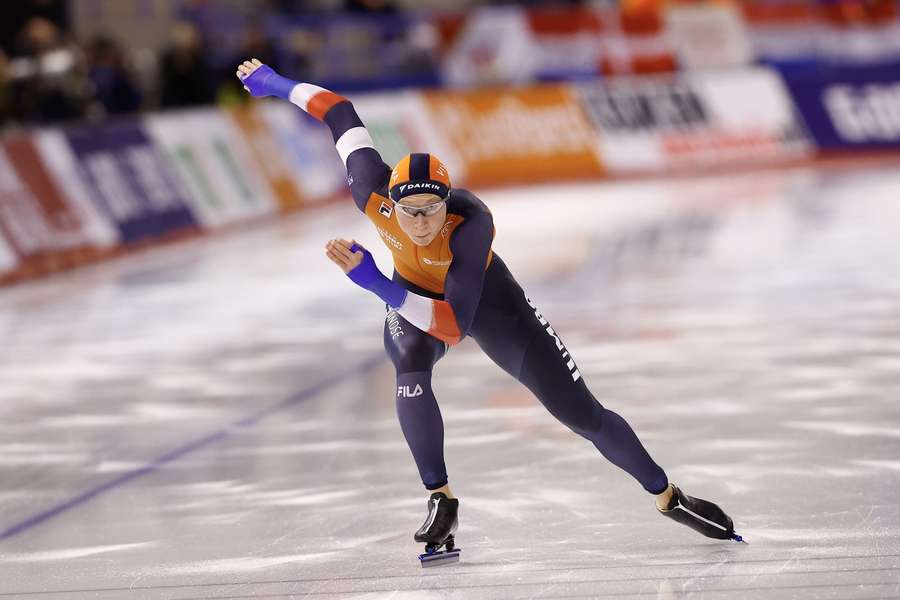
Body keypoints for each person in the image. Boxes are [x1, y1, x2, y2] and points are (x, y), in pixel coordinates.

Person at [236, 58, 742, 564]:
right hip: (415, 297)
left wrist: (373, 282)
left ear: (446, 203)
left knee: (582, 415)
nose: (420, 222)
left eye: (432, 210)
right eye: (409, 211)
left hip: (489, 308)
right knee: (409, 366)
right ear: (387, 201)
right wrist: (273, 84)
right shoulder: (369, 190)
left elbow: (452, 326)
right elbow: (339, 110)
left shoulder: (470, 222)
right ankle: (440, 497)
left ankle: (668, 496)